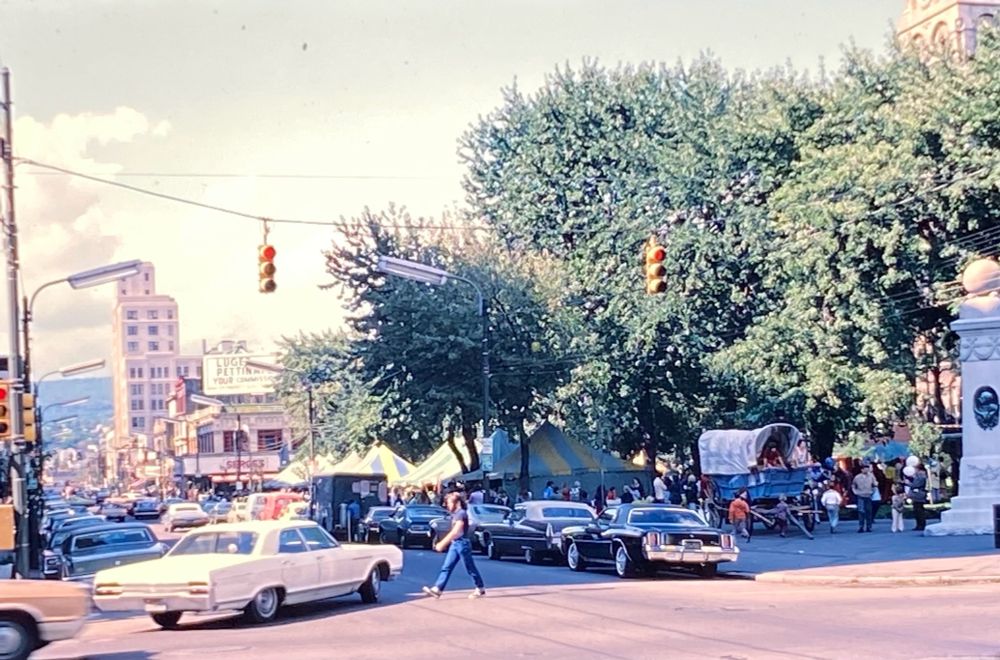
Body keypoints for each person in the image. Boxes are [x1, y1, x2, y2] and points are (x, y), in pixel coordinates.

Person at [422, 492, 486, 600]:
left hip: (462, 544)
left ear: (457, 503)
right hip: (456, 544)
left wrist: (442, 543)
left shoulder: (461, 514)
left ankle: (480, 588)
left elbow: (456, 531)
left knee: (470, 567)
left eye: (449, 503)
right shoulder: (456, 514)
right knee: (447, 567)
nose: (447, 505)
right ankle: (437, 589)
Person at [852, 463, 878, 533]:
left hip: (868, 496)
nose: (867, 470)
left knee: (869, 511)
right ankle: (861, 526)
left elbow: (875, 485)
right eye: (865, 468)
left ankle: (869, 526)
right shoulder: (857, 477)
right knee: (861, 511)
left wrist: (873, 491)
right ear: (862, 469)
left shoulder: (871, 476)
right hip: (860, 496)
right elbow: (853, 485)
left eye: (868, 468)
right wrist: (855, 492)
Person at [910, 465, 928, 532]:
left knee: (918, 510)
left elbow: (916, 484)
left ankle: (921, 525)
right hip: (920, 493)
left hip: (919, 494)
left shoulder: (920, 475)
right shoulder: (921, 475)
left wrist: (909, 484)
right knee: (918, 509)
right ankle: (920, 524)